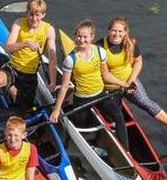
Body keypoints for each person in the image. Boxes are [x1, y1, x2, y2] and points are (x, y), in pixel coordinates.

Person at [100, 17, 167, 139]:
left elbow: (138, 61)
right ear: (109, 31)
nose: (117, 34)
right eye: (114, 30)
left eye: (120, 31)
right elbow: (106, 75)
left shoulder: (130, 44)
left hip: (129, 82)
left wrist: (130, 81)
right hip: (109, 87)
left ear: (125, 32)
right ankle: (115, 133)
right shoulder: (99, 47)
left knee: (146, 103)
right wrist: (124, 85)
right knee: (115, 116)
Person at [50, 20, 130, 152]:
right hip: (82, 98)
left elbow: (106, 76)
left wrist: (124, 84)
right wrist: (57, 110)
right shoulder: (70, 59)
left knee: (119, 115)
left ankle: (126, 151)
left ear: (92, 37)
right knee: (83, 127)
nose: (81, 40)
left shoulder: (100, 52)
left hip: (100, 94)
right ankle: (92, 146)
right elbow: (64, 87)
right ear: (75, 36)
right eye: (79, 36)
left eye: (85, 37)